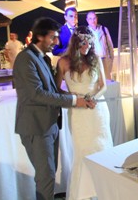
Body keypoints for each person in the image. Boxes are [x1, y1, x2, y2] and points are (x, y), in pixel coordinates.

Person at [13, 17, 92, 200]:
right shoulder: (26, 59)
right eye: (53, 37)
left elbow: (54, 90)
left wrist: (77, 97)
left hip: (50, 125)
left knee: (49, 173)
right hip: (36, 127)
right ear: (40, 36)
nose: (57, 42)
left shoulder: (44, 59)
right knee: (46, 176)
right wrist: (73, 102)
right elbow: (37, 94)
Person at [55, 26, 113, 200]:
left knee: (101, 148)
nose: (87, 46)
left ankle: (103, 192)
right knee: (83, 152)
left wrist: (93, 96)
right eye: (83, 42)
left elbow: (103, 85)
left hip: (97, 111)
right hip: (78, 113)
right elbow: (56, 90)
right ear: (75, 42)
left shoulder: (95, 59)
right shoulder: (63, 62)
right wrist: (75, 99)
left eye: (89, 42)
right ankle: (83, 195)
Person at [86, 11, 114, 80]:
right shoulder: (85, 32)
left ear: (97, 18)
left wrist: (111, 58)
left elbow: (110, 44)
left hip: (105, 60)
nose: (93, 20)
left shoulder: (104, 29)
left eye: (94, 18)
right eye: (90, 18)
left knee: (107, 80)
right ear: (87, 20)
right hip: (94, 62)